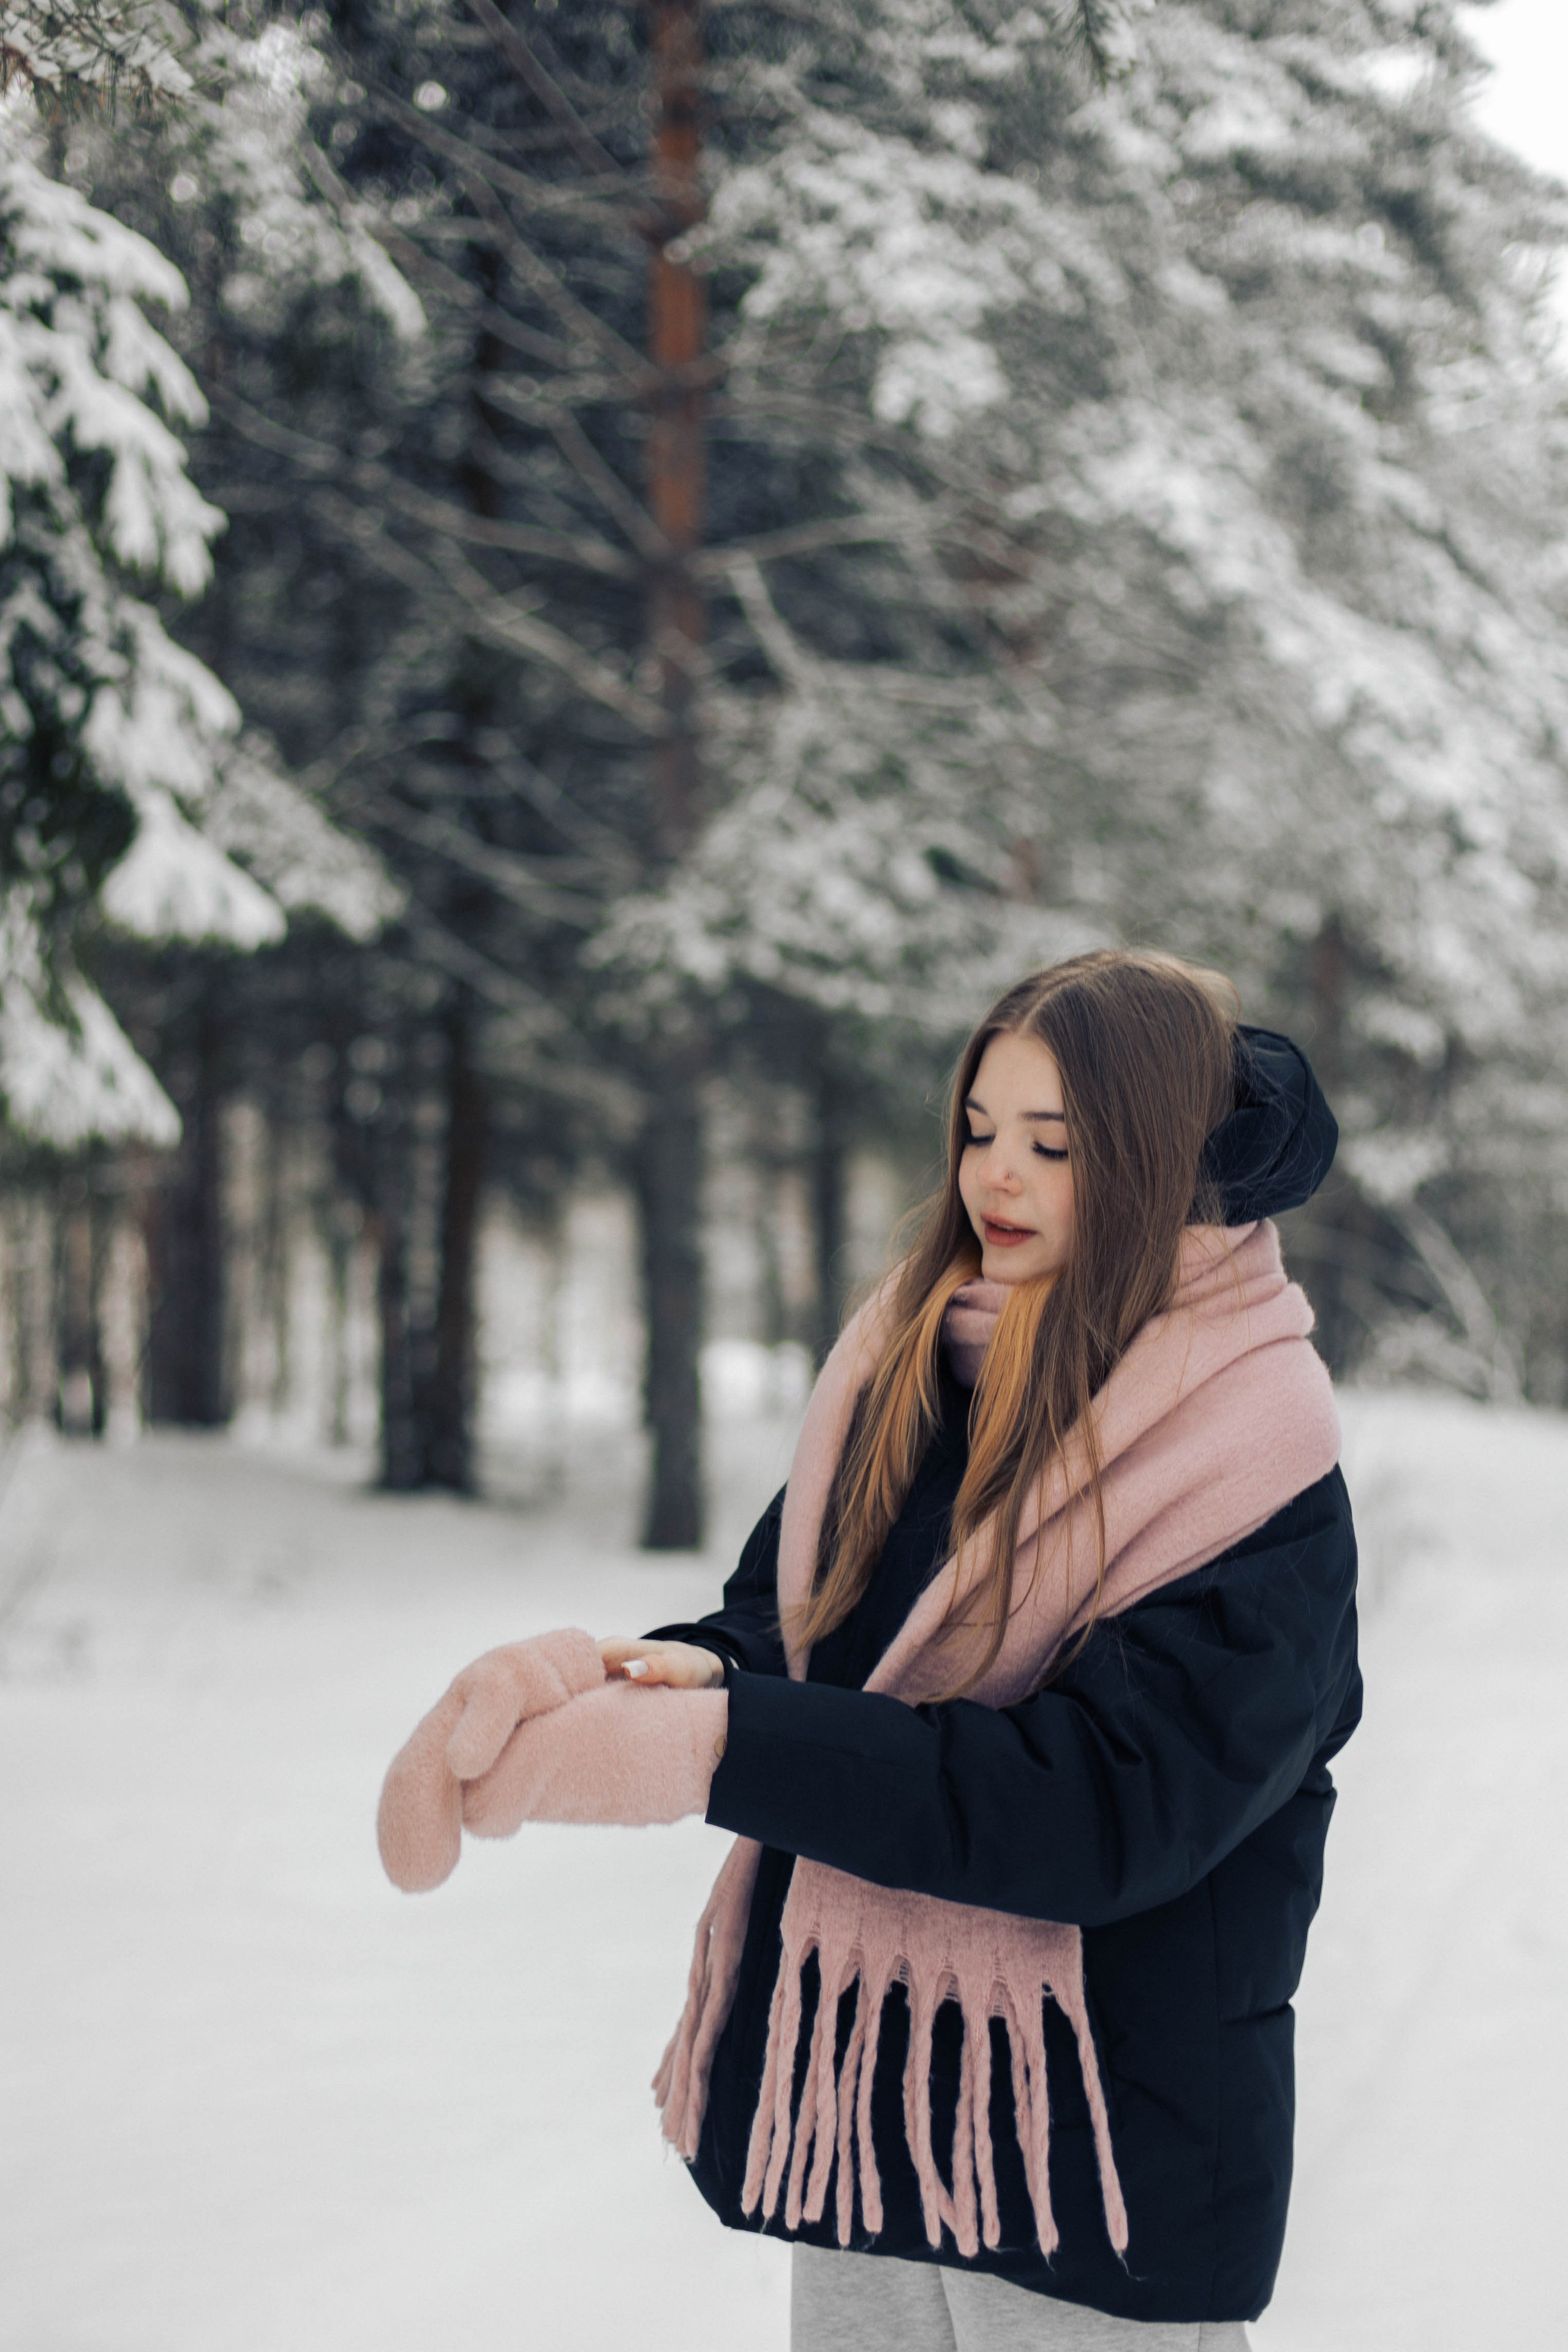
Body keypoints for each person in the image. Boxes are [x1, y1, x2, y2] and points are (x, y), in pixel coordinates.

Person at [378, 951, 1360, 2352]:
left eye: (1051, 1143)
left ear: (1148, 1158)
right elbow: (794, 1622)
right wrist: (656, 1680)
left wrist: (724, 1749)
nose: (992, 1179)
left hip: (1097, 2153)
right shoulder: (909, 1365)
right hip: (878, 2106)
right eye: (976, 1130)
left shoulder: (1252, 1460)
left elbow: (1096, 1805)